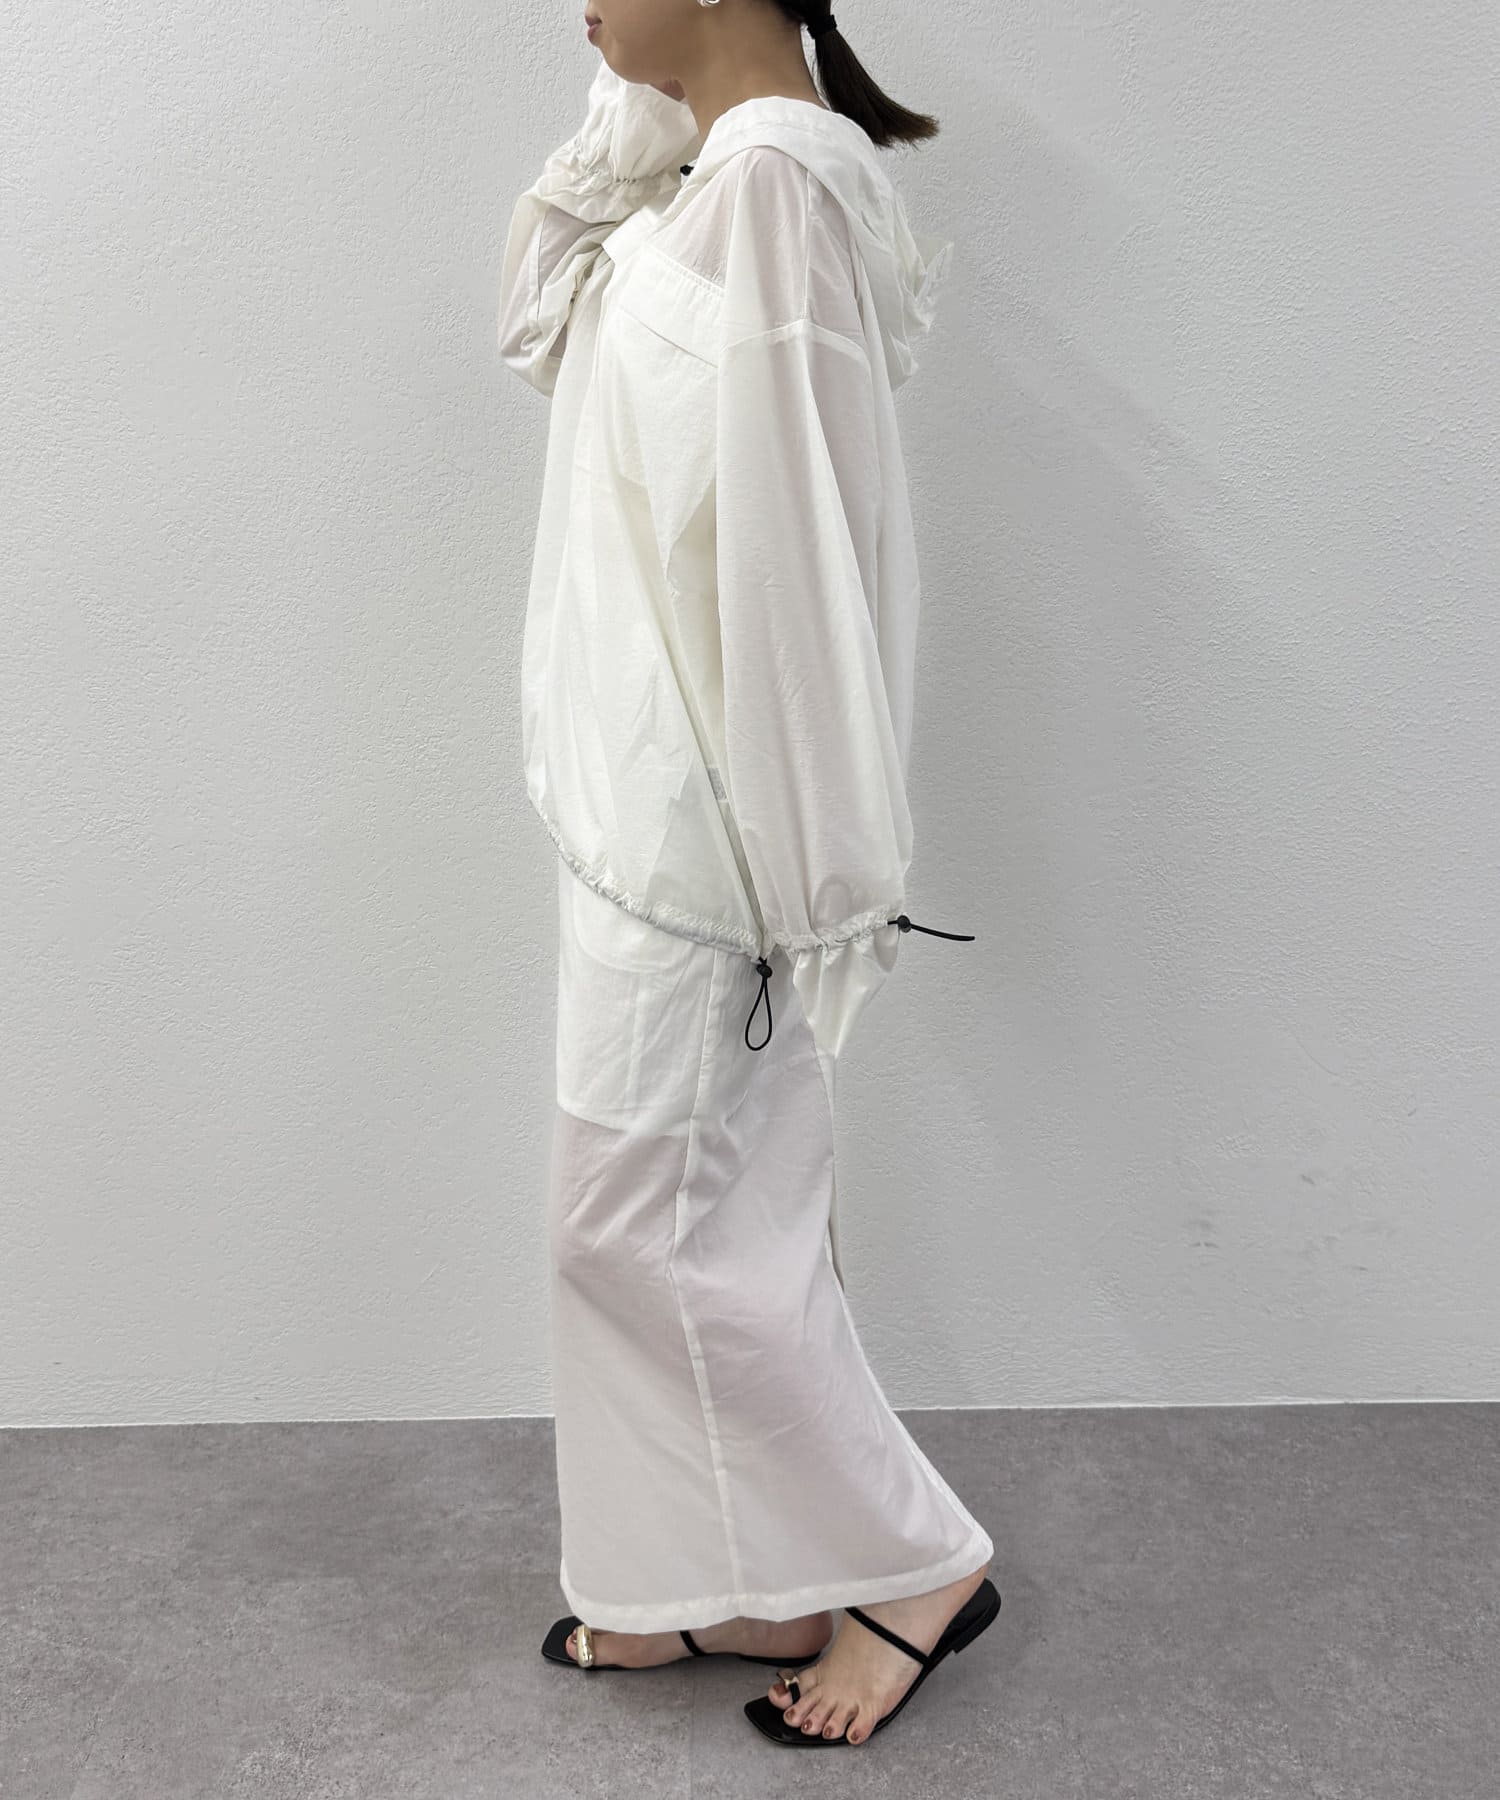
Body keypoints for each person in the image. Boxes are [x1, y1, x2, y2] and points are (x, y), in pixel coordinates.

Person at [497, 0, 1000, 1750]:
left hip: (710, 839)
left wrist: (816, 875)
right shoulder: (708, 186)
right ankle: (694, 1585)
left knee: (650, 1226)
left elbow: (802, 555)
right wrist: (641, 120)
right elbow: (533, 318)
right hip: (635, 816)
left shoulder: (778, 191)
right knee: (656, 1224)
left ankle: (917, 1564)